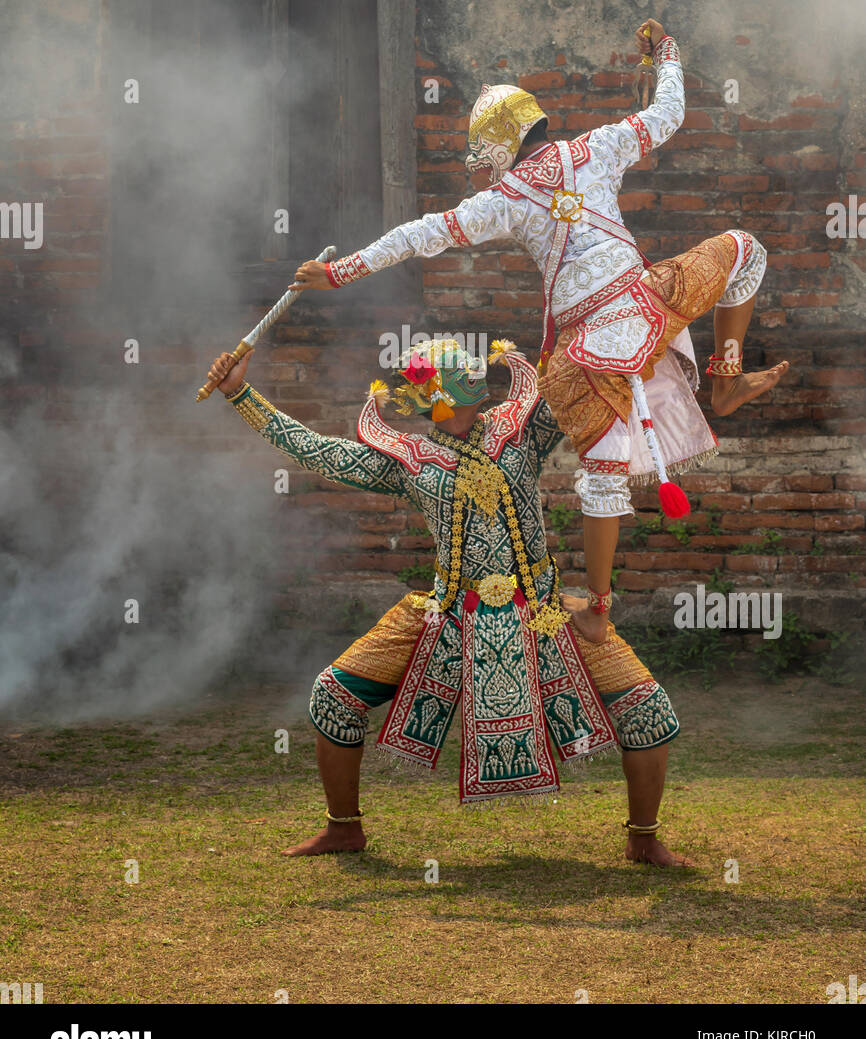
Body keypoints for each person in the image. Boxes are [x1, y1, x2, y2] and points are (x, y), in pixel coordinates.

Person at [290, 19, 788, 642]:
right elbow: (669, 112)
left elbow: (418, 236)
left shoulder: (502, 198)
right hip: (647, 300)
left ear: (499, 146)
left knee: (604, 471)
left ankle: (600, 612)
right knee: (746, 251)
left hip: (587, 343)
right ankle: (726, 376)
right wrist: (666, 51)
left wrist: (339, 271)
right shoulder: (597, 146)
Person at [207, 337, 690, 867]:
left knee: (648, 712)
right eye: (437, 383)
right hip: (447, 613)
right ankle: (343, 829)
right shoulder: (411, 461)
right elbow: (318, 451)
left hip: (546, 610)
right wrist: (241, 394)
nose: (451, 392)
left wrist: (622, 329)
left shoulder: (521, 434)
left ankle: (643, 839)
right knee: (332, 697)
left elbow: (580, 386)